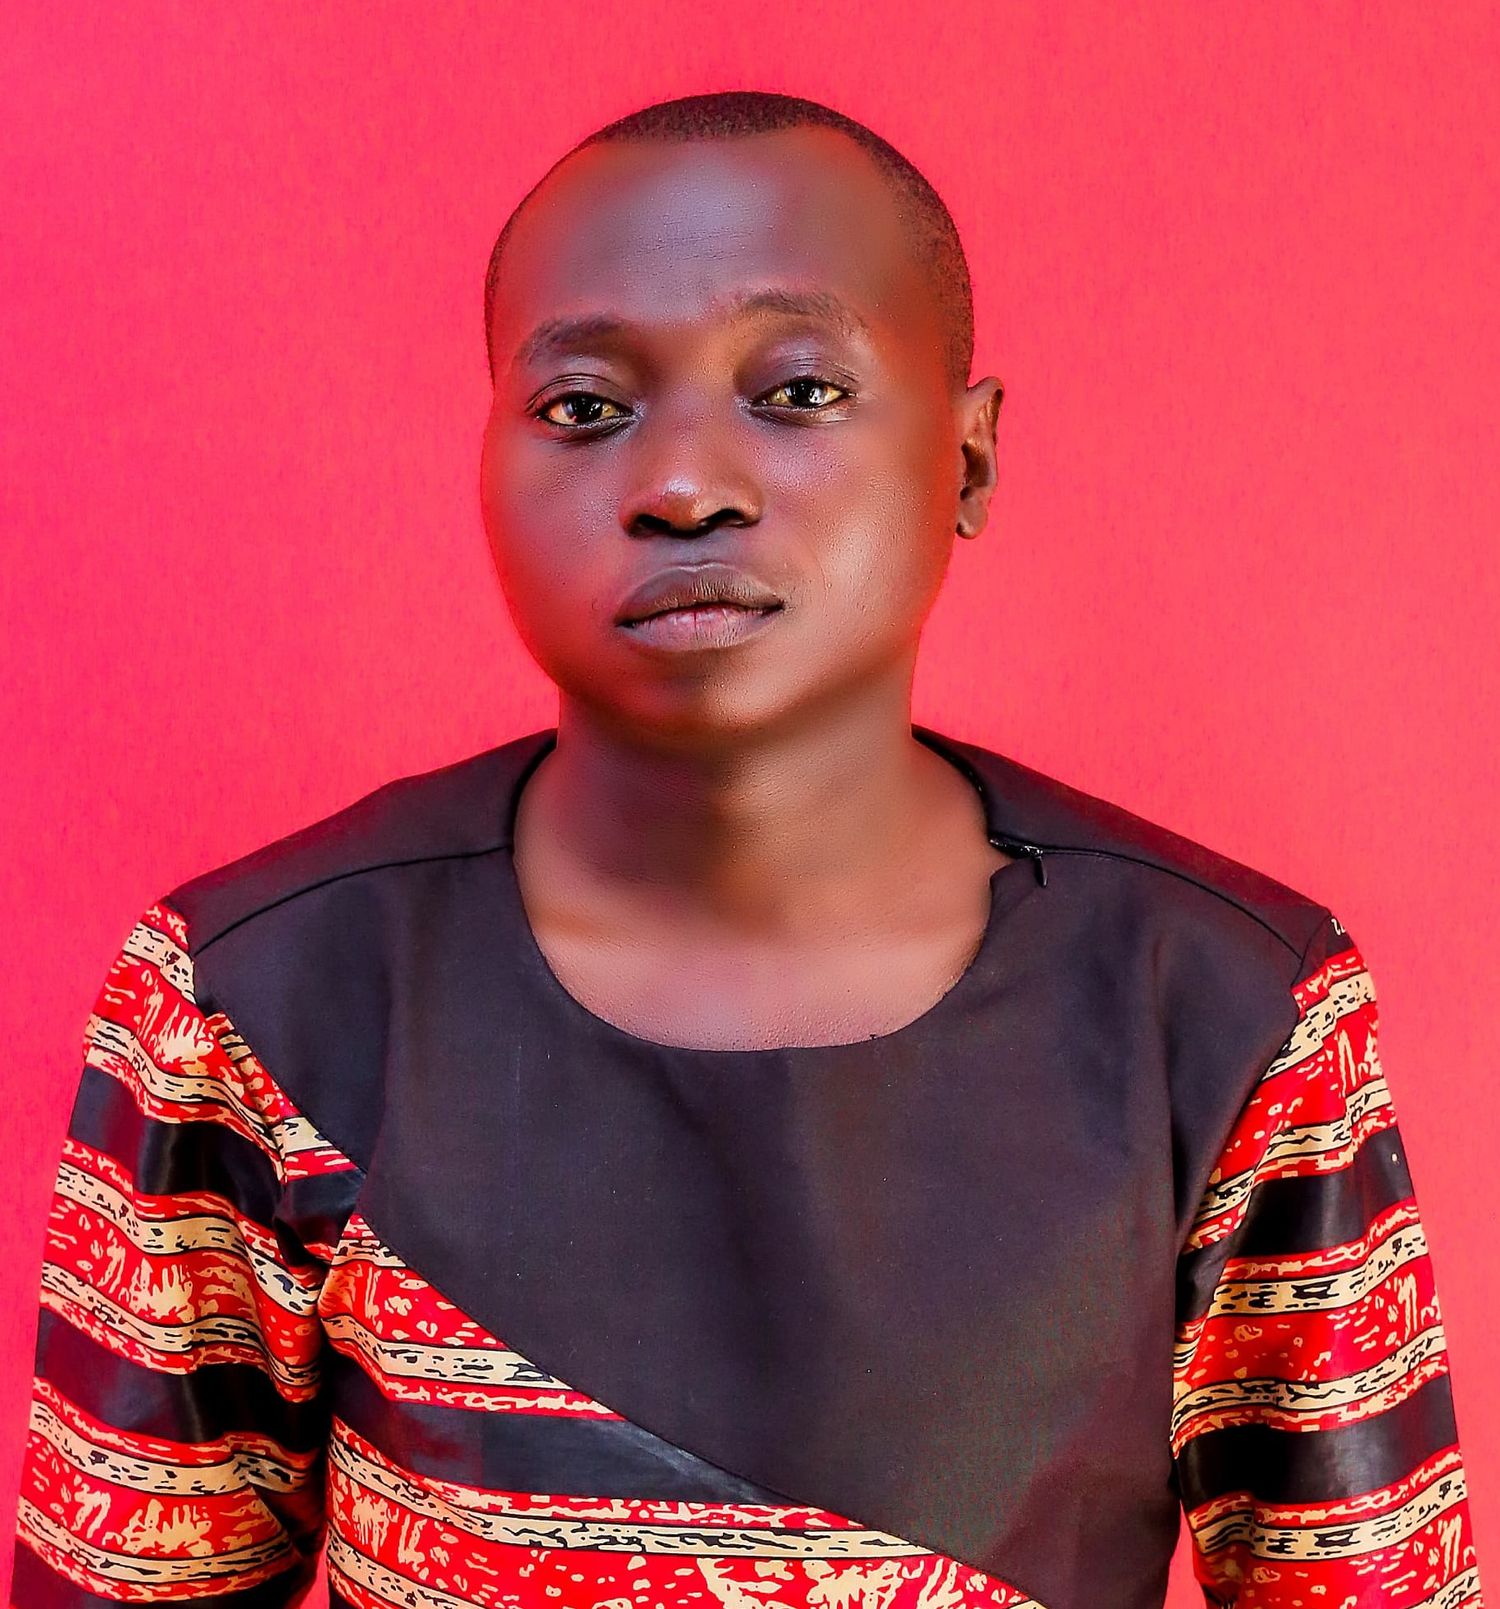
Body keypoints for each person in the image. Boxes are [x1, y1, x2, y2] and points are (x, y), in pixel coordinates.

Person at [9, 88, 1483, 1609]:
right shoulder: (258, 996)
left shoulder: (1225, 1006)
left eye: (799, 391)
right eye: (585, 408)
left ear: (969, 459)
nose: (685, 485)